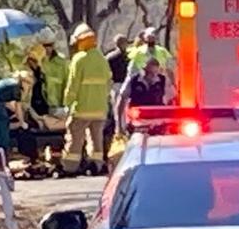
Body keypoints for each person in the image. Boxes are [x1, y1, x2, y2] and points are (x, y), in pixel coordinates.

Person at [60, 23, 112, 176]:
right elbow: (109, 84)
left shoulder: (79, 59)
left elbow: (73, 85)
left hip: (82, 109)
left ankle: (70, 167)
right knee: (97, 139)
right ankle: (97, 165)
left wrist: (67, 104)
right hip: (100, 110)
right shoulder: (102, 59)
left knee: (75, 139)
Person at [116, 57, 168, 133]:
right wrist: (120, 126)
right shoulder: (134, 81)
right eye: (148, 73)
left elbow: (172, 101)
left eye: (154, 73)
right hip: (137, 124)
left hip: (157, 123)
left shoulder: (163, 81)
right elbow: (122, 100)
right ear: (143, 70)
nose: (151, 76)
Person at [38, 29, 69, 113]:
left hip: (58, 105)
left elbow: (67, 83)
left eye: (50, 45)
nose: (47, 48)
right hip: (41, 104)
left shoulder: (62, 62)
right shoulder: (37, 62)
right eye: (45, 45)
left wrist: (66, 104)